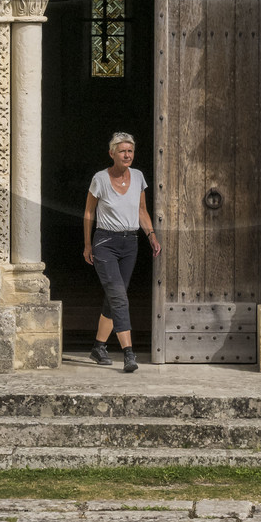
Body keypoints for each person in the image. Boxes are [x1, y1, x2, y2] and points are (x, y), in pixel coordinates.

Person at [83, 132, 160, 374]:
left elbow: (142, 210)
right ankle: (129, 353)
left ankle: (98, 347)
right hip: (105, 241)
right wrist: (87, 244)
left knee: (115, 295)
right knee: (119, 297)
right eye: (122, 151)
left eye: (130, 151)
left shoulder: (138, 177)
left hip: (130, 243)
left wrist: (151, 235)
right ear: (112, 153)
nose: (127, 155)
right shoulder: (100, 179)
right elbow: (88, 213)